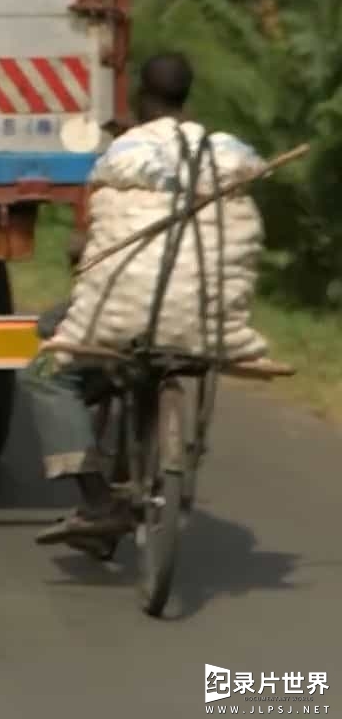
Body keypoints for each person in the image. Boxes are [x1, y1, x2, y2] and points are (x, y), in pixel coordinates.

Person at [27, 53, 288, 553]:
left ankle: (98, 501)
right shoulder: (225, 151)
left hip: (126, 313)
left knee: (44, 371)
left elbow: (97, 230)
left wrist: (86, 253)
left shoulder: (124, 150)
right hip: (203, 316)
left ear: (141, 96)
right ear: (187, 96)